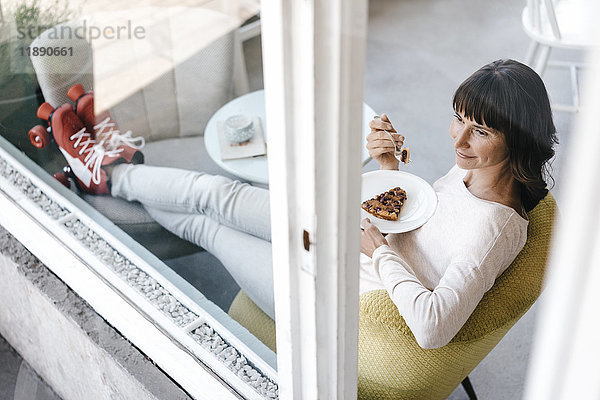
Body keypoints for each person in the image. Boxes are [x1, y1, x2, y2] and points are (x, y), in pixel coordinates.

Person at [104, 58, 557, 349]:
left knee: (209, 228)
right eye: (458, 119)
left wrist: (377, 253)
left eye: (479, 131)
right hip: (338, 239)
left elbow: (433, 327)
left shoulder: (495, 229)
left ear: (516, 139)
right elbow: (415, 231)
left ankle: (106, 174)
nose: (458, 139)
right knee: (219, 194)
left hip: (329, 297)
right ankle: (111, 172)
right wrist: (388, 167)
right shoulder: (473, 171)